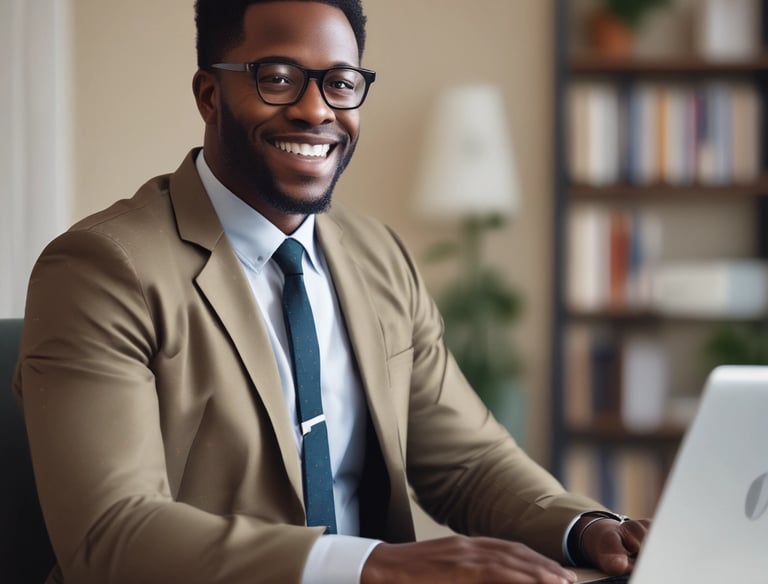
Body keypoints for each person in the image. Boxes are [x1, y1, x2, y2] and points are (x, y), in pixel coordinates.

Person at [15, 1, 650, 583]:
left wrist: (587, 528)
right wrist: (367, 566)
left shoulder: (379, 256)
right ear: (210, 95)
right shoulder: (101, 269)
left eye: (340, 82)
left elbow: (468, 462)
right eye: (278, 77)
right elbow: (111, 533)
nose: (316, 109)